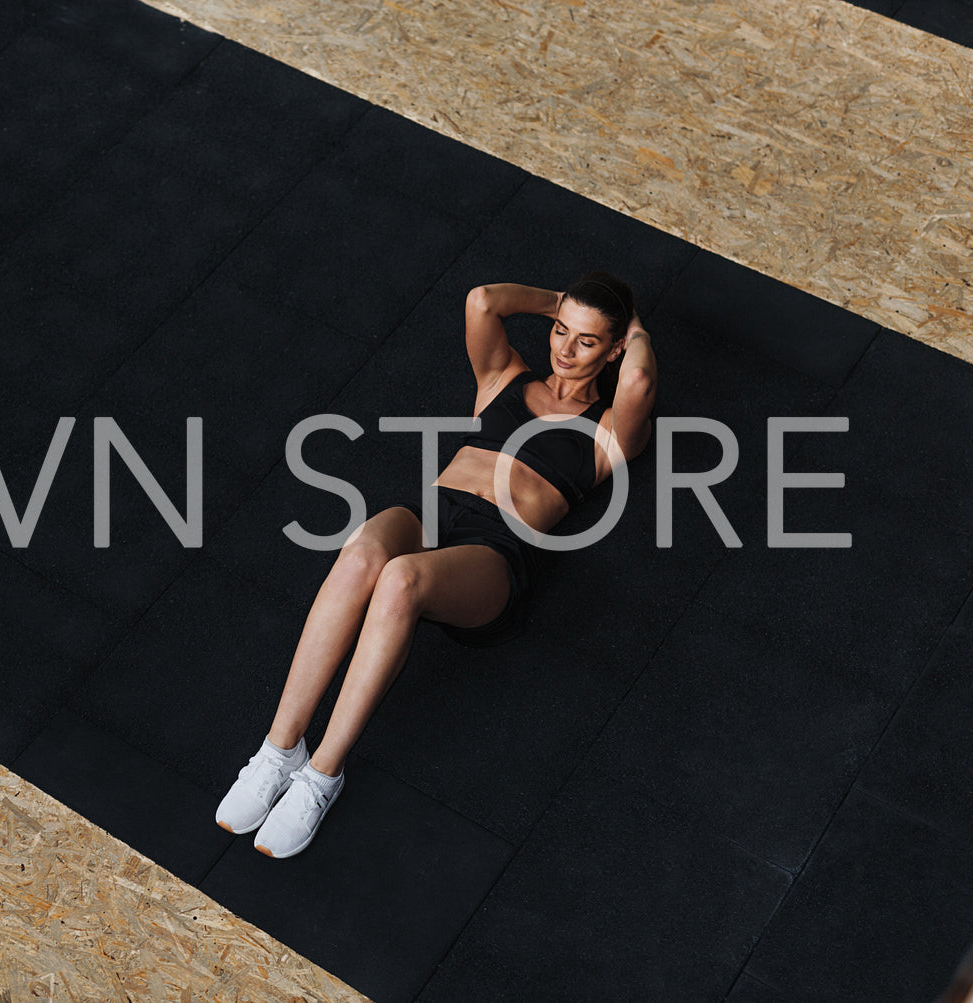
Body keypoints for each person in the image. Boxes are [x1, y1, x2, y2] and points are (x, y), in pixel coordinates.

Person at [215, 272, 657, 857]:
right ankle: (279, 750)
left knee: (400, 580)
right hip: (434, 512)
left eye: (587, 341)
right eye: (558, 331)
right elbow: (483, 300)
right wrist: (561, 303)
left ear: (614, 349)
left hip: (495, 550)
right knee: (360, 556)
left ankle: (322, 775)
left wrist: (635, 327)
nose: (564, 349)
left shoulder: (608, 434)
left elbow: (642, 378)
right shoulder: (504, 376)